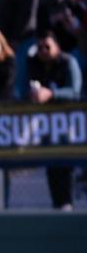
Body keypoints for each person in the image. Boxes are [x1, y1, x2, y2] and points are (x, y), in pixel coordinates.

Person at [27, 31, 82, 211]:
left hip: (68, 125)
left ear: (57, 46)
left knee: (65, 167)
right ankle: (58, 205)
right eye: (40, 47)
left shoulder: (68, 62)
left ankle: (67, 204)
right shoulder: (35, 64)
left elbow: (75, 91)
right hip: (46, 126)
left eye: (47, 46)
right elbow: (20, 88)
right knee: (51, 167)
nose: (43, 50)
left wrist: (51, 94)